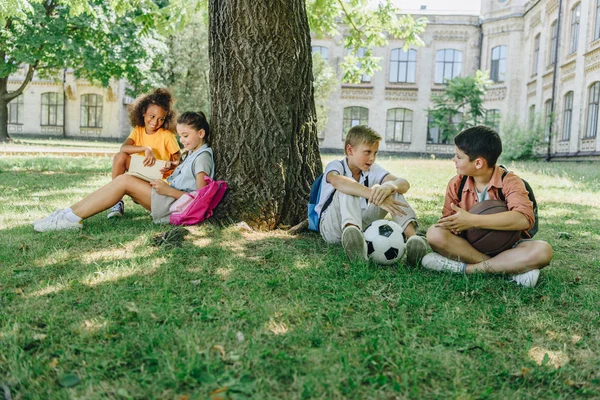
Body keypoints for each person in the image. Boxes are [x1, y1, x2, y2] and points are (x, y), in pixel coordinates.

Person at [33, 112, 214, 231]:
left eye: (186, 136)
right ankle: (66, 214)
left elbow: (201, 199)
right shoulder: (192, 153)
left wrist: (168, 191)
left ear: (201, 133)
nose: (182, 140)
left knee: (125, 181)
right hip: (169, 199)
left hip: (174, 207)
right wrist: (172, 169)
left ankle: (71, 218)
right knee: (127, 177)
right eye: (180, 136)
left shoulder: (203, 157)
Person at [422, 126, 553, 287]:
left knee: (543, 250)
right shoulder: (457, 183)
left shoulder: (510, 181)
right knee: (434, 233)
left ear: (478, 163)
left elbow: (523, 219)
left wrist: (472, 221)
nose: (453, 160)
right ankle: (508, 268)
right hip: (469, 247)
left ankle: (465, 269)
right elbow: (446, 223)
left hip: (509, 247)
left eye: (458, 156)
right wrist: (454, 225)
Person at [316, 125, 427, 265]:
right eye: (367, 152)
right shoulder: (336, 166)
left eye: (375, 153)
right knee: (348, 186)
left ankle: (413, 241)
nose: (372, 158)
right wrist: (373, 196)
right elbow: (337, 181)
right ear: (350, 150)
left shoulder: (372, 169)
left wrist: (390, 186)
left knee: (390, 191)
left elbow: (404, 184)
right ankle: (353, 237)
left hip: (362, 223)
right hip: (333, 227)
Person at [107, 88, 182, 219]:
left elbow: (179, 162)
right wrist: (146, 149)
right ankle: (117, 201)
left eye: (161, 119)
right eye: (152, 116)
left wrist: (171, 165)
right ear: (143, 112)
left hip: (157, 181)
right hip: (139, 173)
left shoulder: (167, 135)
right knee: (120, 157)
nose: (155, 122)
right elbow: (123, 148)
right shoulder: (138, 130)